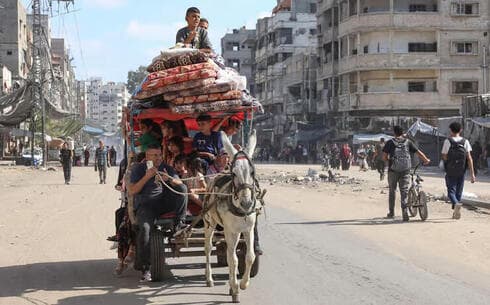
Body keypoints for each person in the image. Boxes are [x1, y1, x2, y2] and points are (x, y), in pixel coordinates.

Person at [128, 144, 188, 282]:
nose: (158, 158)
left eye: (160, 155)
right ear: (147, 156)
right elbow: (132, 191)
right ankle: (145, 268)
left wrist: (170, 179)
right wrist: (147, 176)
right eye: (155, 155)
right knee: (145, 229)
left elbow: (179, 182)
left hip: (164, 202)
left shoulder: (166, 167)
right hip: (146, 205)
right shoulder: (138, 169)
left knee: (183, 188)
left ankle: (179, 224)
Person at [383, 126, 430, 221]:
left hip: (393, 170)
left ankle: (391, 212)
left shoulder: (390, 142)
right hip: (405, 170)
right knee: (404, 191)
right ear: (402, 132)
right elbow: (419, 152)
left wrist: (390, 161)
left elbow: (384, 157)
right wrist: (426, 160)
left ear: (394, 133)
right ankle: (404, 212)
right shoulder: (408, 142)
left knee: (392, 191)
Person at [441, 122, 476, 220]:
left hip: (450, 170)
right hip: (462, 170)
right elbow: (469, 158)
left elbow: (444, 155)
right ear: (460, 130)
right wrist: (472, 174)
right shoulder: (465, 141)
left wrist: (449, 163)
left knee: (451, 191)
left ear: (450, 130)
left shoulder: (448, 141)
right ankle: (456, 210)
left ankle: (456, 204)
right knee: (459, 192)